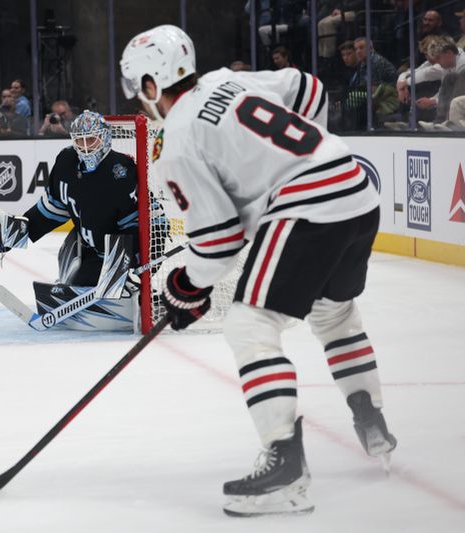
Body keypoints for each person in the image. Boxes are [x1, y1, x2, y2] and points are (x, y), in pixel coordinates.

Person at [121, 24, 395, 517]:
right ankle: (370, 416)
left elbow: (219, 241)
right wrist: (305, 156)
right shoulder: (230, 80)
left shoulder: (178, 140)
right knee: (333, 312)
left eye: (139, 91)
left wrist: (184, 286)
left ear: (150, 84)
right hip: (355, 186)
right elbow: (308, 88)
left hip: (310, 207)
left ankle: (284, 469)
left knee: (249, 324)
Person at [0, 110, 140, 327]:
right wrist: (10, 233)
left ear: (105, 138)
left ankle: (132, 287)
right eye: (80, 140)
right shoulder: (66, 162)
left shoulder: (121, 171)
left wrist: (127, 265)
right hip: (92, 249)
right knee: (78, 284)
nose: (85, 147)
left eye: (91, 140)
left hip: (125, 250)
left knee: (115, 287)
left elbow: (137, 226)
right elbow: (51, 211)